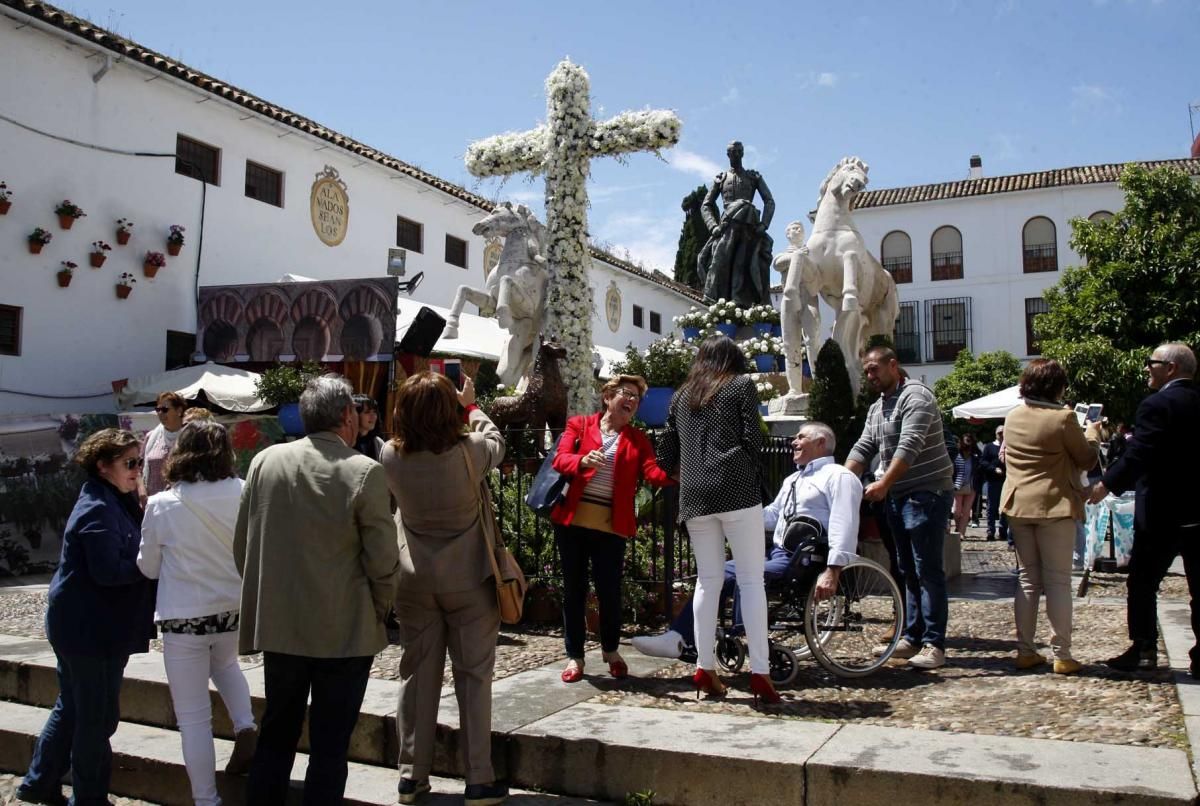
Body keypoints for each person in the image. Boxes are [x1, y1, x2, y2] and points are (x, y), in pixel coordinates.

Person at [234, 374, 399, 805]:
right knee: (329, 745)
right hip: (343, 631)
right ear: (347, 416)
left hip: (282, 624)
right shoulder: (363, 471)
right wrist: (379, 612)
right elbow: (383, 562)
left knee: (276, 734)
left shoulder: (264, 461)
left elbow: (242, 546)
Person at [380, 372, 509, 806]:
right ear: (447, 409)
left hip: (414, 577)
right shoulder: (468, 451)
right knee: (473, 676)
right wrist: (471, 405)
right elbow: (496, 440)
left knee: (417, 676)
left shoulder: (389, 455)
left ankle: (411, 776)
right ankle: (479, 779)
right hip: (468, 577)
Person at [633, 422, 861, 659]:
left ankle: (743, 635)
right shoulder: (794, 479)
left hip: (806, 559)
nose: (793, 442)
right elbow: (772, 516)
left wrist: (833, 570)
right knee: (715, 574)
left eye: (800, 437)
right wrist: (728, 517)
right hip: (779, 553)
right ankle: (681, 639)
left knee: (748, 572)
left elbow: (844, 523)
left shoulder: (839, 477)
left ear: (821, 442)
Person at [17, 429, 157, 806]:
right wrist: (150, 566)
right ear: (103, 466)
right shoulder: (98, 507)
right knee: (96, 719)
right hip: (89, 631)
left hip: (86, 625)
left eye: (139, 462)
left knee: (74, 708)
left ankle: (39, 783)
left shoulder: (113, 498)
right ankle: (90, 798)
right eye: (129, 463)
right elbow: (108, 571)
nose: (137, 470)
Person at [655, 335, 781, 705]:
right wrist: (749, 474)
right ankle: (760, 671)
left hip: (695, 495)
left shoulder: (681, 396)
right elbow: (752, 439)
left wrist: (691, 475)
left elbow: (665, 452)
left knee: (707, 582)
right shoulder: (740, 385)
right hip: (737, 489)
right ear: (733, 358)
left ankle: (705, 667)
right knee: (751, 580)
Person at [138, 421, 257, 806]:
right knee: (225, 665)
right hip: (231, 609)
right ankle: (245, 724)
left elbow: (149, 567)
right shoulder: (243, 493)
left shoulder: (162, 504)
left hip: (184, 617)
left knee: (193, 719)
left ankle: (207, 800)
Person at [550, 374, 674, 682]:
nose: (631, 400)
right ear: (608, 397)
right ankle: (575, 657)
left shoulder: (638, 439)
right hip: (573, 523)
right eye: (626, 393)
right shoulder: (579, 425)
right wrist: (581, 461)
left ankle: (610, 650)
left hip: (611, 527)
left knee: (609, 592)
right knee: (574, 591)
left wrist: (678, 476)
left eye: (636, 397)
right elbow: (560, 459)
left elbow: (652, 472)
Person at [1090, 343, 1200, 674]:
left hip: (1163, 511)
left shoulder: (1156, 404)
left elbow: (1140, 454)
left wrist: (1105, 484)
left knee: (1142, 582)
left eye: (1151, 363)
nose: (1146, 369)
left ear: (1170, 368)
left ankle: (1144, 648)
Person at [845, 346, 954, 670]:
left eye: (874, 368)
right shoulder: (878, 407)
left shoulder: (915, 397)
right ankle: (912, 634)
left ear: (893, 365)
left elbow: (910, 445)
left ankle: (935, 643)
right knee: (905, 568)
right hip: (897, 496)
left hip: (926, 493)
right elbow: (864, 445)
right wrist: (838, 479)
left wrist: (884, 483)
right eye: (866, 370)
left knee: (927, 569)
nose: (870, 376)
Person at [1001, 359, 1100, 674]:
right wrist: (1094, 433)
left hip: (1018, 505)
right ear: (1057, 386)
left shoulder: (1013, 416)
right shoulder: (1063, 417)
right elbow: (1086, 458)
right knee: (1057, 581)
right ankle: (1062, 654)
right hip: (1054, 505)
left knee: (1027, 579)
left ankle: (1025, 650)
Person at [697, 141, 776, 307]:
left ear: (743, 154)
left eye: (739, 151)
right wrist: (713, 227)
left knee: (744, 264)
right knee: (720, 262)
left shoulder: (753, 177)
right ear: (728, 155)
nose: (736, 155)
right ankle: (719, 301)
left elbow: (769, 201)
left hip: (749, 227)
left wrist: (763, 225)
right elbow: (706, 204)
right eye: (733, 152)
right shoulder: (721, 179)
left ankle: (742, 301)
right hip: (728, 227)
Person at [142, 391, 187, 498]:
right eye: (158, 409)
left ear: (179, 411)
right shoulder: (151, 437)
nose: (160, 413)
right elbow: (140, 469)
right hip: (154, 502)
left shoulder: (191, 436)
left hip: (182, 502)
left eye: (165, 409)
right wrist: (142, 494)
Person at [979, 427, 1007, 541]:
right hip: (993, 481)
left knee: (1004, 507)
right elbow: (983, 462)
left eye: (1003, 433)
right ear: (995, 434)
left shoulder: (1008, 447)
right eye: (999, 433)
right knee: (991, 507)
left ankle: (1003, 530)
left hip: (1006, 481)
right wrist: (993, 468)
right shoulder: (989, 447)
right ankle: (990, 530)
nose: (1001, 435)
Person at [951, 433, 981, 536]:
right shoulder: (956, 455)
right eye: (966, 440)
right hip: (957, 485)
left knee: (966, 511)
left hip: (972, 486)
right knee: (956, 511)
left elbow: (980, 469)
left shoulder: (976, 456)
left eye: (970, 440)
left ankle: (961, 533)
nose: (968, 442)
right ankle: (958, 527)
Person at [352, 394, 386, 461]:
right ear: (356, 414)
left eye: (374, 412)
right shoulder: (347, 442)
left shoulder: (378, 443)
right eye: (367, 412)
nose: (373, 416)